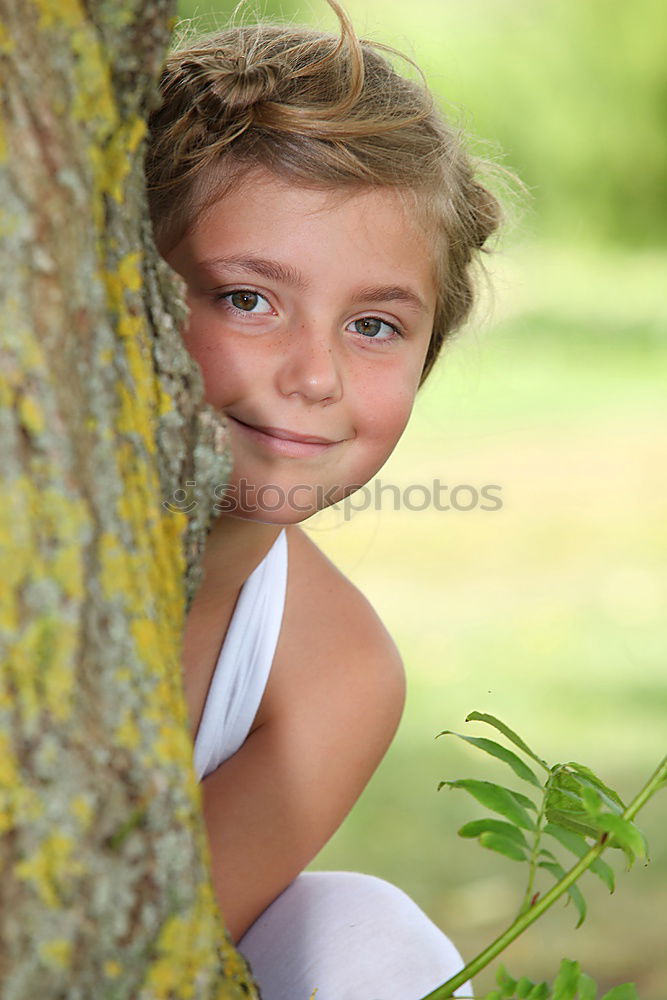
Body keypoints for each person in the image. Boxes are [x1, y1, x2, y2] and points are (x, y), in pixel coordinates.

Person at [146, 2, 501, 996]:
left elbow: (129, 962)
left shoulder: (334, 677)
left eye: (375, 325)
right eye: (247, 298)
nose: (314, 376)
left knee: (361, 930)